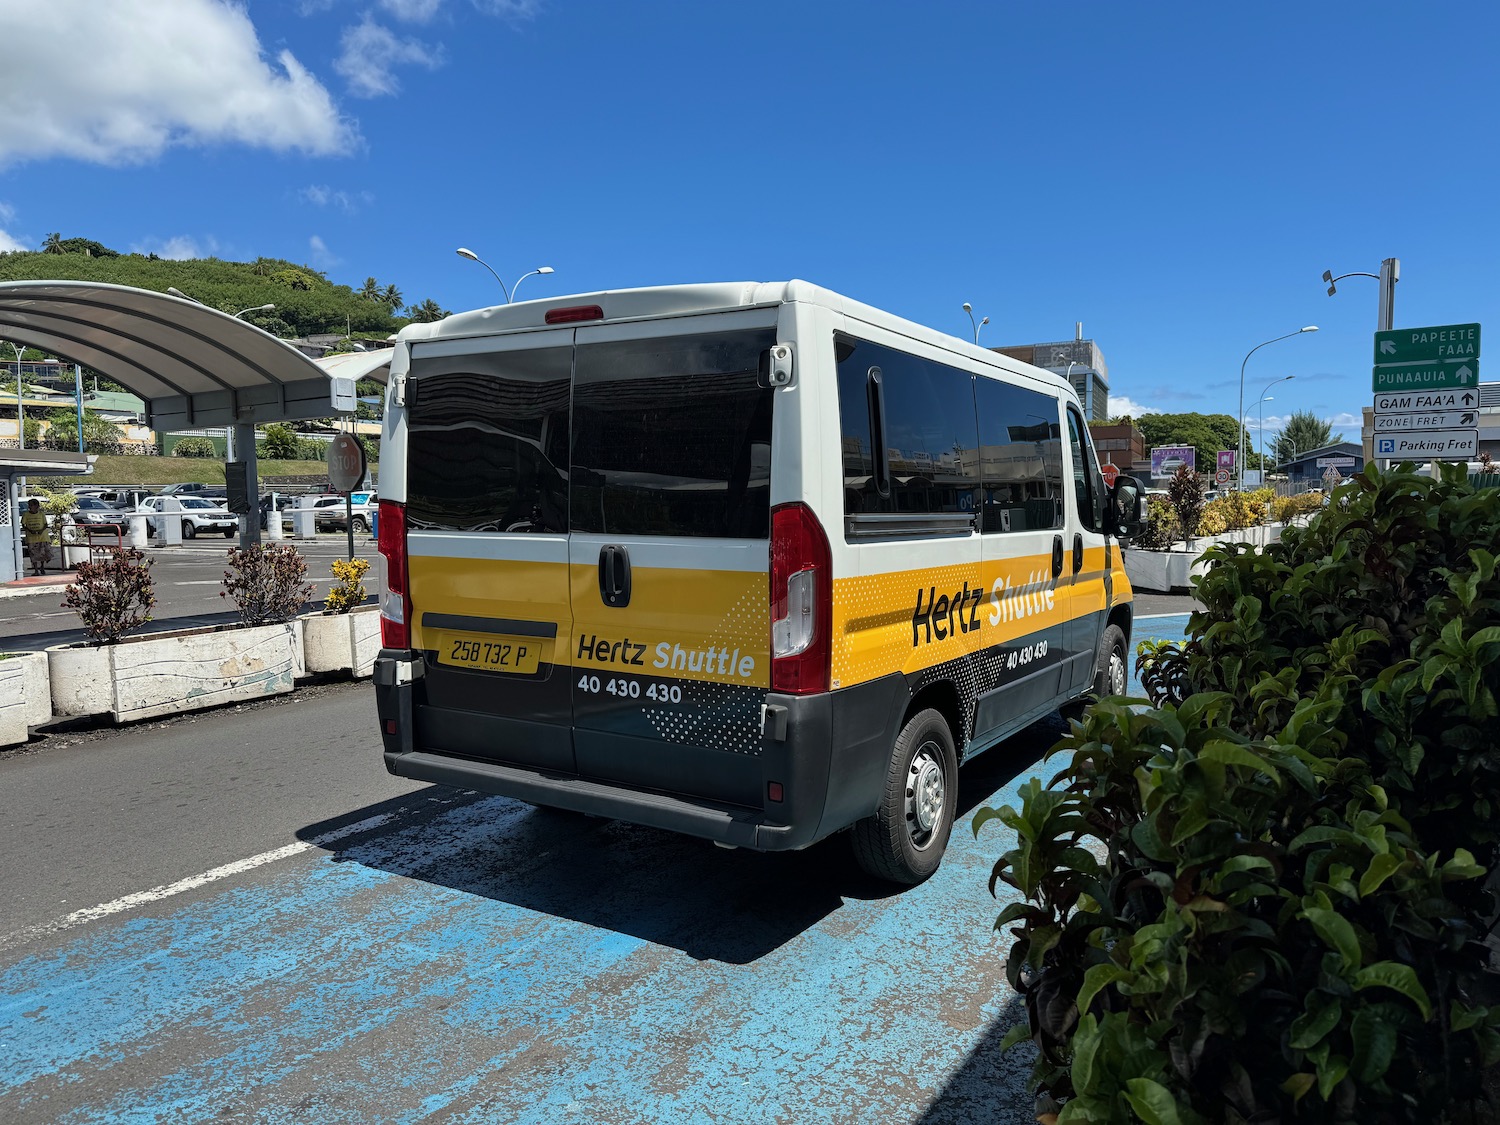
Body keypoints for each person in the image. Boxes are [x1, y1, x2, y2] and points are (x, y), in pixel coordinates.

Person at [21, 499, 51, 576]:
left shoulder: (41, 514)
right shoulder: (26, 514)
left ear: (36, 506)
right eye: (29, 505)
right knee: (33, 554)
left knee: (43, 553)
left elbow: (45, 524)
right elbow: (23, 524)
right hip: (31, 538)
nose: (30, 507)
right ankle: (36, 570)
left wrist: (41, 530)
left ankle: (42, 567)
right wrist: (30, 530)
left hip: (42, 537)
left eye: (32, 505)